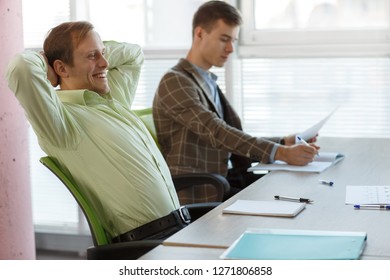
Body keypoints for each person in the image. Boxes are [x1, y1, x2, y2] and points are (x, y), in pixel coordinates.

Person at [6, 21, 191, 243]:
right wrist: (46, 62)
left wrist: (93, 51)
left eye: (103, 53)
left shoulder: (113, 100)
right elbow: (21, 67)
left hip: (180, 229)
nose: (105, 63)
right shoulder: (61, 122)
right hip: (147, 244)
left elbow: (134, 55)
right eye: (92, 56)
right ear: (61, 68)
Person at [153, 1, 319, 204]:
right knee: (281, 201)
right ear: (199, 34)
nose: (231, 48)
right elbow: (216, 131)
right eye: (224, 39)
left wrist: (284, 141)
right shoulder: (176, 81)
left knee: (292, 195)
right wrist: (282, 153)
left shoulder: (206, 81)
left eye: (233, 40)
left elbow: (231, 136)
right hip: (198, 194)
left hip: (221, 182)